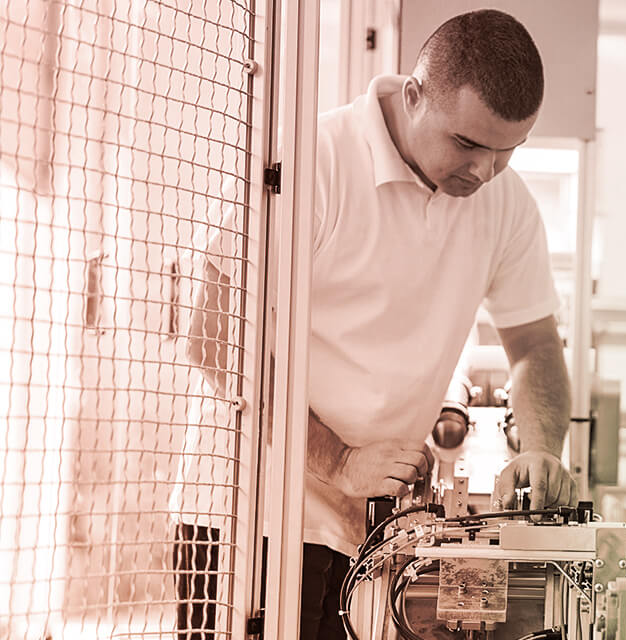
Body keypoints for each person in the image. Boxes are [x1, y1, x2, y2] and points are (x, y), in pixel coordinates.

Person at [190, 9, 578, 639]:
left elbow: (534, 342)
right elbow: (214, 330)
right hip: (249, 513)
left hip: (362, 532)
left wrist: (538, 450)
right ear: (414, 95)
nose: (484, 171)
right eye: (468, 144)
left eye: (508, 151)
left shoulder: (504, 205)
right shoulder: (314, 162)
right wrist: (339, 461)